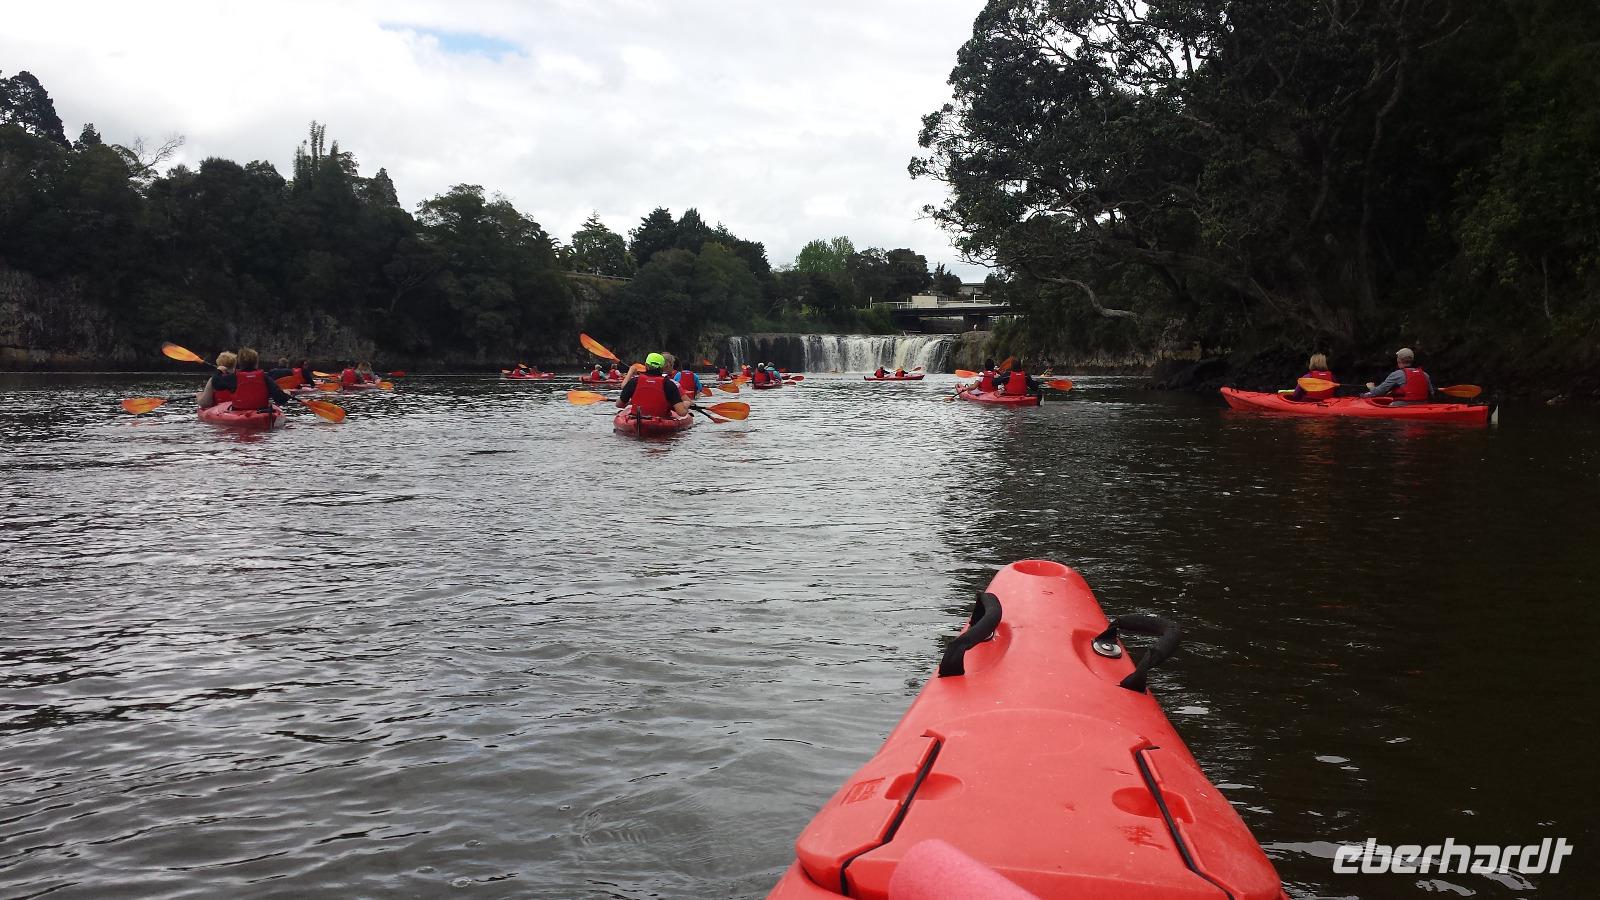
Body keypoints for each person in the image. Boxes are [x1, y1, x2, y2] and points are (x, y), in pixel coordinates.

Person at [199, 347, 291, 411]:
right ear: (256, 363)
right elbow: (280, 400)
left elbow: (216, 384)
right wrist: (287, 394)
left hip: (238, 411)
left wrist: (218, 371)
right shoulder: (264, 378)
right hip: (261, 412)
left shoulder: (234, 378)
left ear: (240, 363)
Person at [617, 352, 689, 419]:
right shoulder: (669, 384)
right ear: (662, 367)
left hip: (637, 418)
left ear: (646, 365)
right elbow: (681, 413)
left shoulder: (634, 381)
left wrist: (630, 401)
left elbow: (619, 404)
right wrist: (686, 404)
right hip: (660, 420)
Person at [1363, 347, 1433, 405]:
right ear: (1412, 360)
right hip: (1423, 405)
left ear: (1398, 360)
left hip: (1402, 405)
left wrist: (1371, 387)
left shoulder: (1396, 374)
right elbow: (1431, 393)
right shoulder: (1425, 374)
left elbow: (1377, 392)